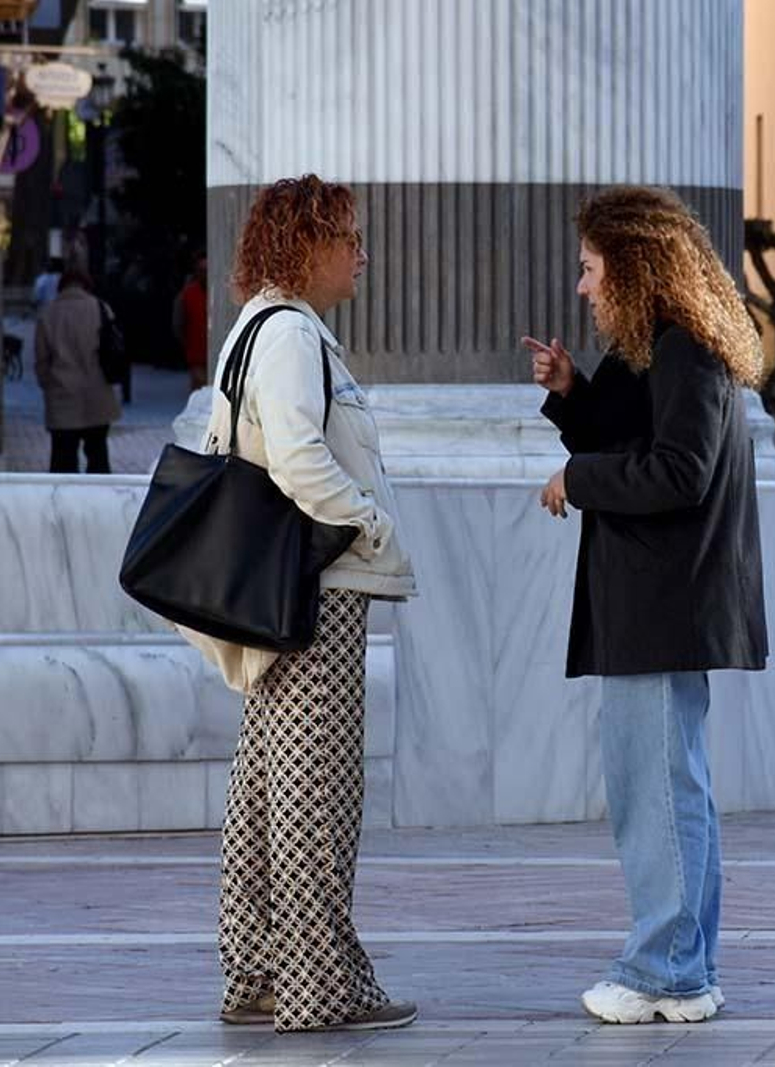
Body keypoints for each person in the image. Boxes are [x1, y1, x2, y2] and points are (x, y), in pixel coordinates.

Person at [525, 185, 767, 1025]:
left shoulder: (683, 348)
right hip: (655, 602)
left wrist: (576, 479)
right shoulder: (662, 348)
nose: (584, 287)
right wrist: (569, 391)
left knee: (655, 789)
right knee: (669, 786)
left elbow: (676, 472)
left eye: (592, 269)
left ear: (631, 266)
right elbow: (633, 436)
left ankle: (666, 968)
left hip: (662, 604)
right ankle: (684, 964)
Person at [183, 175, 418, 1033]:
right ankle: (320, 989)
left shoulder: (262, 327)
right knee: (316, 794)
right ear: (307, 245)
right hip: (313, 587)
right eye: (348, 238)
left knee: (266, 788)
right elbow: (296, 455)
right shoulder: (290, 335)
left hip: (280, 587)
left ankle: (257, 972)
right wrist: (370, 524)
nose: (362, 255)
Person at [33, 266, 120, 473]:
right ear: (86, 284)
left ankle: (63, 503)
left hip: (62, 396)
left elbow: (41, 360)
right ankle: (99, 501)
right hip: (97, 394)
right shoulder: (100, 308)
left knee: (62, 462)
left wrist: (48, 384)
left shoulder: (48, 313)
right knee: (98, 457)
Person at [173, 249, 210, 390]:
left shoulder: (219, 293)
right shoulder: (187, 294)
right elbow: (178, 324)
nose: (205, 274)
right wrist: (187, 344)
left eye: (207, 269)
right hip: (196, 354)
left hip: (216, 352)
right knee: (200, 391)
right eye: (202, 270)